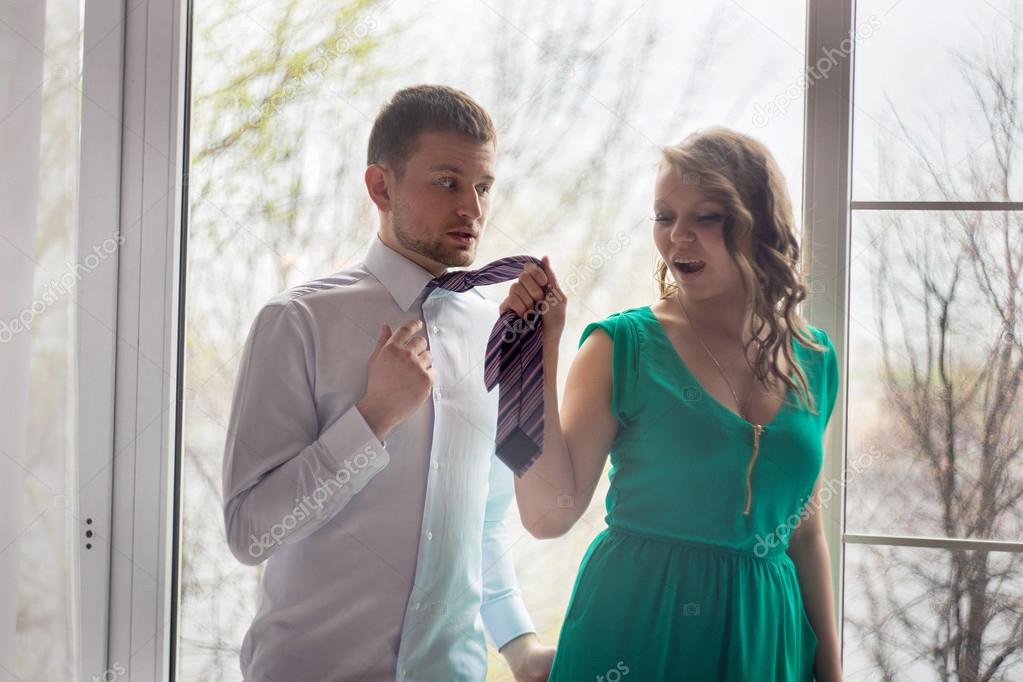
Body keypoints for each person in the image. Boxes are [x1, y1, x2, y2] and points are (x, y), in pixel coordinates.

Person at [222, 84, 554, 682]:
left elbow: (482, 523)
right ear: (381, 186)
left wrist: (521, 647)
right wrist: (373, 418)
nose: (472, 211)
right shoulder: (298, 322)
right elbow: (250, 533)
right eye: (447, 182)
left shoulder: (494, 334)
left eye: (482, 188)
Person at [502, 127, 843, 681]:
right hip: (637, 634)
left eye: (705, 217)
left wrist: (830, 672)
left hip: (767, 641)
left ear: (757, 222)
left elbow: (804, 531)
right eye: (664, 217)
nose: (678, 237)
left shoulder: (815, 357)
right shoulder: (621, 346)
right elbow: (548, 516)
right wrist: (533, 359)